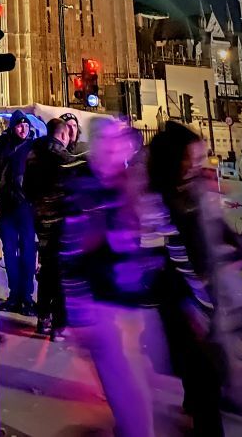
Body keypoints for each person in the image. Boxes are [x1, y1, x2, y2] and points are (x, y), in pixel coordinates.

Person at [148, 120, 242, 434]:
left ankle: (201, 400)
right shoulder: (160, 198)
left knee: (205, 363)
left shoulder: (190, 187)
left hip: (201, 288)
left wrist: (238, 244)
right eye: (193, 157)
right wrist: (195, 299)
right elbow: (172, 253)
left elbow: (214, 223)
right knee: (203, 367)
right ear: (176, 159)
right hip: (182, 293)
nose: (199, 163)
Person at [61, 119, 165, 437]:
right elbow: (69, 252)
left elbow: (151, 236)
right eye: (110, 142)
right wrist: (79, 312)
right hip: (103, 304)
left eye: (121, 141)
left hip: (132, 303)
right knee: (128, 391)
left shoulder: (130, 183)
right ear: (97, 146)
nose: (118, 148)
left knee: (130, 388)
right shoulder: (84, 188)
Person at [23, 117, 85, 340]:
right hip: (60, 220)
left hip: (41, 219)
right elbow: (76, 180)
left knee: (47, 268)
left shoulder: (33, 153)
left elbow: (26, 187)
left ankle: (43, 318)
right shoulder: (60, 155)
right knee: (61, 271)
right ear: (62, 134)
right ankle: (59, 324)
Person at [0, 110, 36, 314]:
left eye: (25, 125)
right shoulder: (2, 144)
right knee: (10, 250)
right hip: (7, 204)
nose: (23, 129)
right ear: (13, 126)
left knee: (27, 250)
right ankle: (14, 293)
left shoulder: (33, 146)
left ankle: (26, 295)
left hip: (26, 205)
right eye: (19, 125)